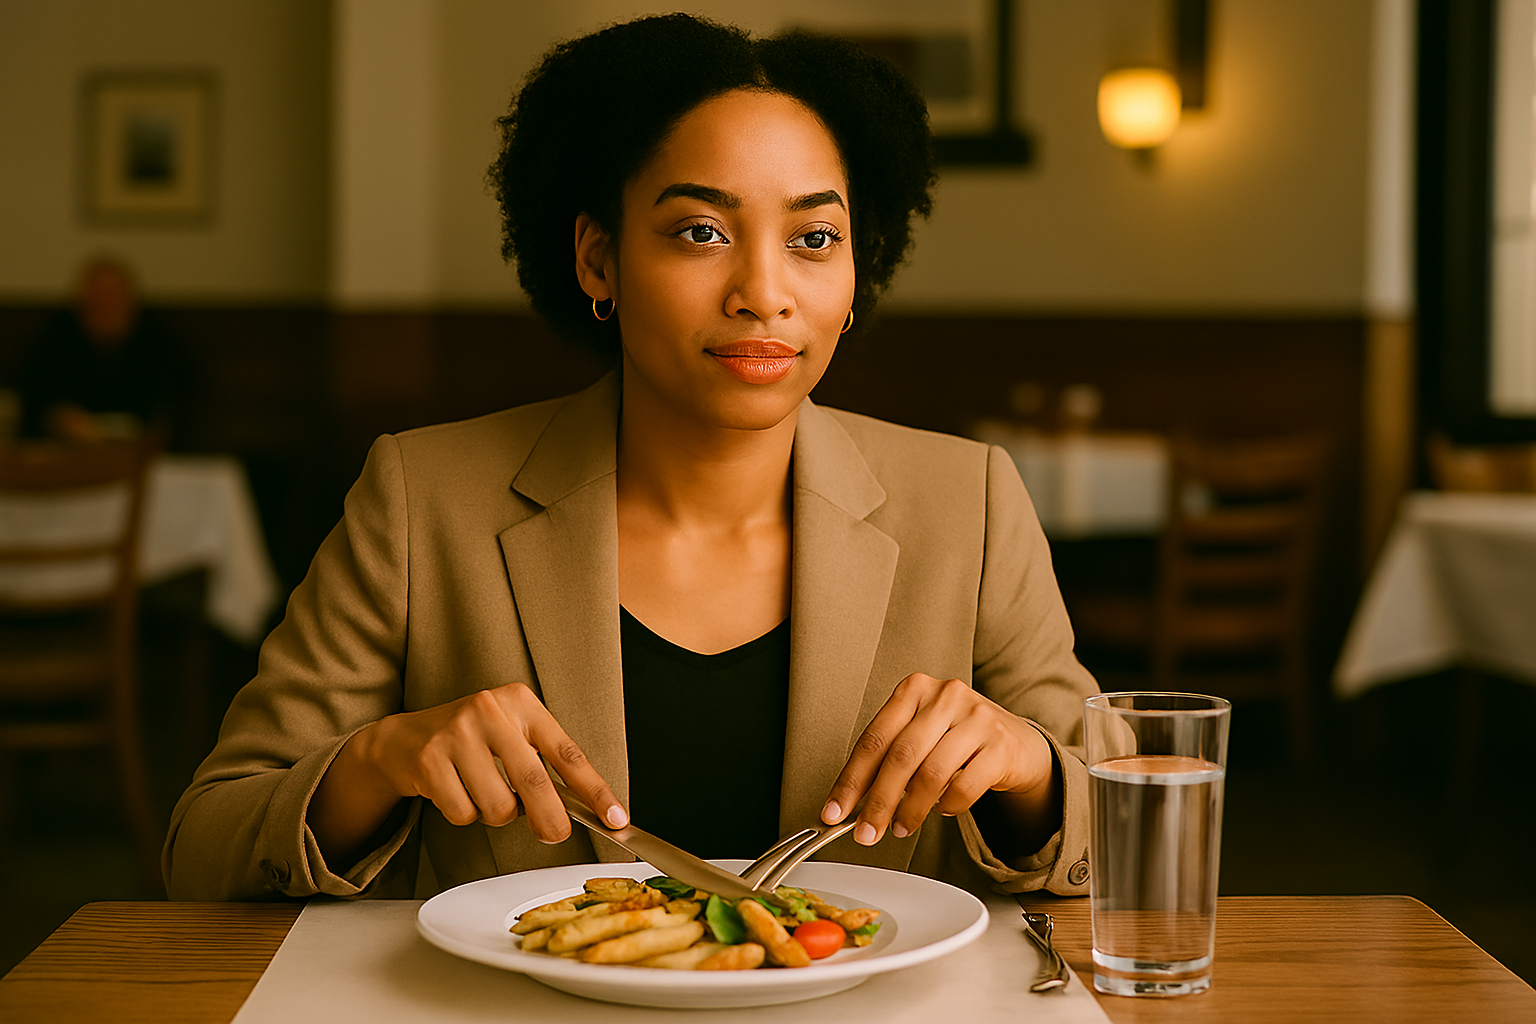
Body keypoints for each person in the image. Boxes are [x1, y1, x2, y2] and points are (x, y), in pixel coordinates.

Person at [164, 13, 1098, 903]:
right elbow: (205, 846)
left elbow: (1114, 824)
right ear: (598, 260)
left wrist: (1030, 769)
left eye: (815, 238)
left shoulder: (968, 501)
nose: (764, 293)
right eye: (702, 232)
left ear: (859, 271)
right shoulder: (421, 499)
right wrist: (376, 762)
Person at [18, 256, 187, 446]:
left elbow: (178, 407)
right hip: (70, 454)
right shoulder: (53, 345)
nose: (106, 307)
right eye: (98, 301)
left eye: (114, 299)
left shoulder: (161, 347)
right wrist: (60, 419)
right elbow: (34, 403)